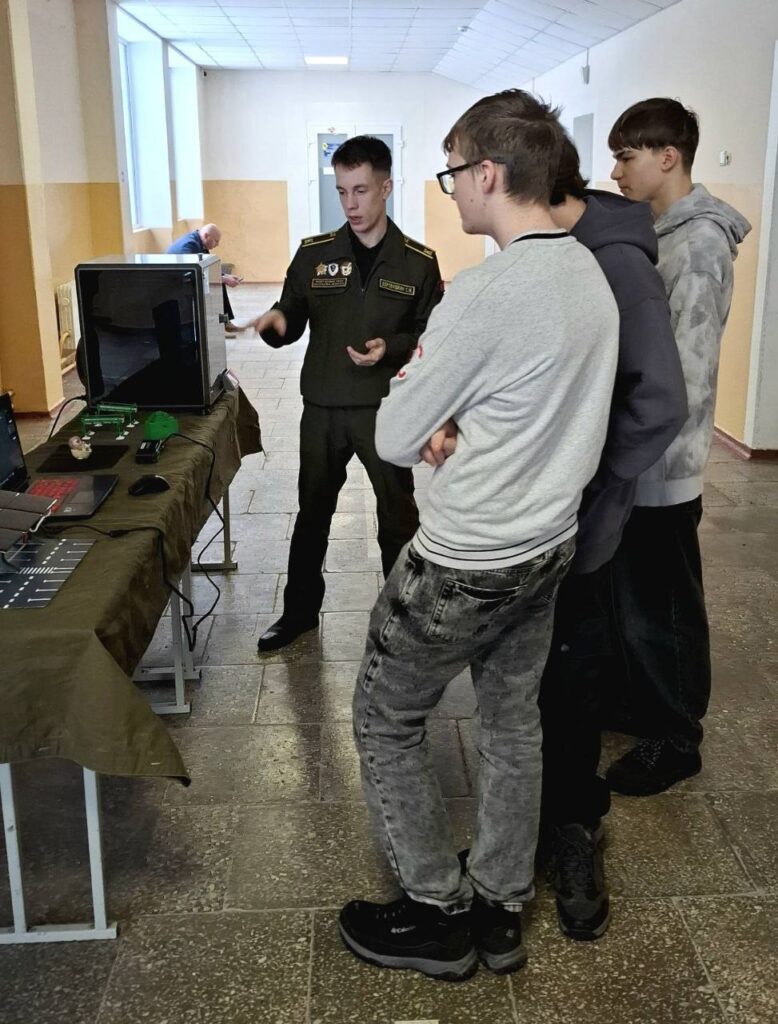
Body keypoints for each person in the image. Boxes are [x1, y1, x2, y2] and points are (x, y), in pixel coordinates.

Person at [338, 90, 619, 982]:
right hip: (546, 544)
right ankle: (500, 903)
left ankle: (436, 914)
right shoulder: (588, 274)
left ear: (489, 173)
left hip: (465, 560)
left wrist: (433, 410)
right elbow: (533, 402)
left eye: (453, 170)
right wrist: (461, 413)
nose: (451, 187)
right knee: (510, 723)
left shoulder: (486, 292)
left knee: (385, 718)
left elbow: (394, 435)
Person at [537, 134, 688, 943]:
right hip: (533, 522)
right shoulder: (543, 252)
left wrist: (593, 482)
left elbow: (659, 401)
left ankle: (573, 828)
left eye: (463, 170)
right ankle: (527, 820)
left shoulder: (616, 262)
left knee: (572, 679)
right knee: (532, 685)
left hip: (580, 526)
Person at [604, 98, 751, 796]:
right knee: (635, 599)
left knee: (662, 606)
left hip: (661, 461)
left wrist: (633, 450)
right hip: (638, 455)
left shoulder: (696, 247)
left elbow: (684, 378)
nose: (617, 171)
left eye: (626, 156)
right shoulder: (661, 233)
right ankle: (645, 704)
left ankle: (676, 736)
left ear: (668, 157)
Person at [251, 136, 443, 653]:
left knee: (397, 519)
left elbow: (431, 334)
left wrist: (392, 347)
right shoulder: (315, 255)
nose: (351, 204)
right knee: (312, 513)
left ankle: (404, 618)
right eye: (341, 191)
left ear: (386, 187)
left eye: (361, 190)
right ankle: (298, 613)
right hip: (323, 409)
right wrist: (276, 323)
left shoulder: (417, 262)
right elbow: (290, 314)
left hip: (386, 409)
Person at [167, 223, 244, 333]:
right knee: (216, 283)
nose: (217, 245)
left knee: (218, 282)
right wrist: (224, 279)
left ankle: (223, 322)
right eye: (216, 241)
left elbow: (207, 266)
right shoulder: (190, 245)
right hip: (177, 283)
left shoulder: (199, 242)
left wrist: (225, 276)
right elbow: (195, 272)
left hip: (186, 278)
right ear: (206, 236)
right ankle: (219, 324)